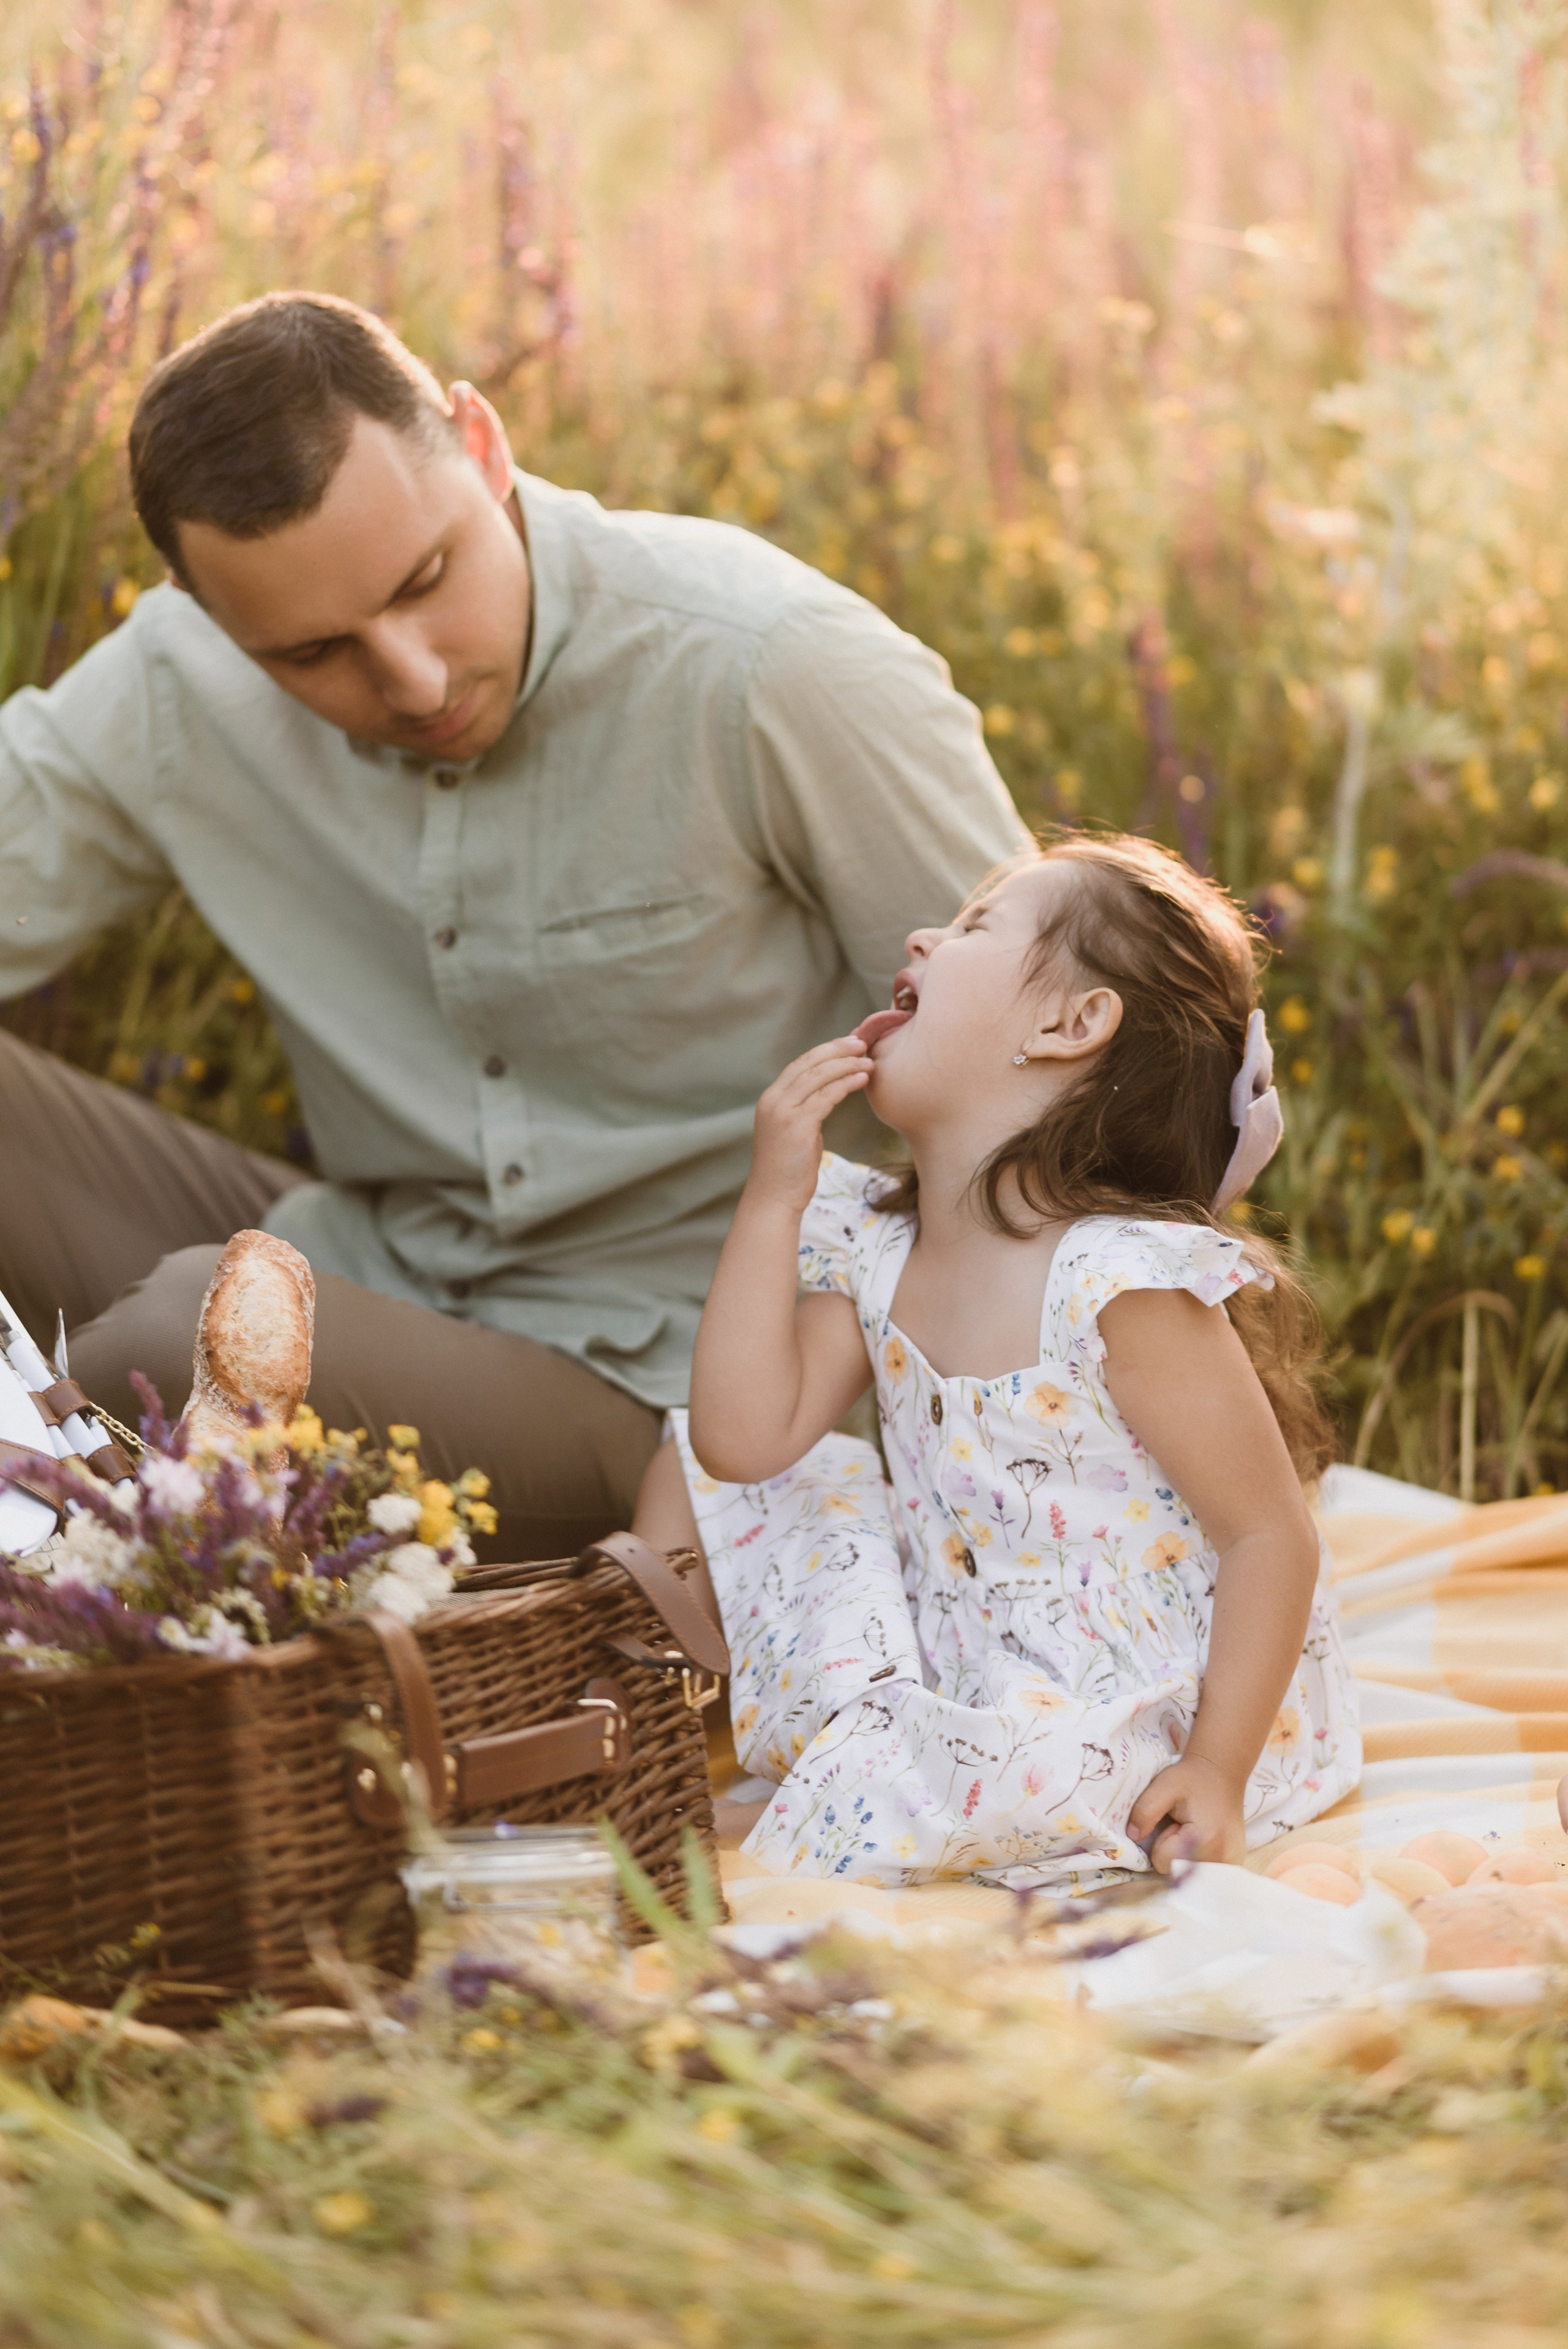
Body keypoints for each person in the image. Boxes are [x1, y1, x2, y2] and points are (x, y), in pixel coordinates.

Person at [0, 292, 1027, 1559]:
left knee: (163, 1363)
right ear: (211, 616)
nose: (412, 679)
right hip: (374, 1262)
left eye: (427, 579)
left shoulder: (771, 665)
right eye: (315, 652)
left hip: (677, 1384)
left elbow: (1065, 1075)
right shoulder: (178, 680)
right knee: (166, 1322)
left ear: (481, 445)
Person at [633, 833, 1360, 1887]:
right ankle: (661, 1736)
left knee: (1019, 1773)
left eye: (974, 926)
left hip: (1130, 1694)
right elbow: (741, 1441)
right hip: (957, 1649)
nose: (926, 934)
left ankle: (834, 1793)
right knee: (687, 1480)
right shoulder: (881, 1254)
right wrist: (771, 1202)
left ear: (1072, 1024)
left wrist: (1216, 1765)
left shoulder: (1119, 1282)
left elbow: (1268, 1537)